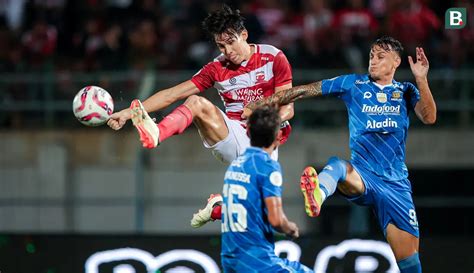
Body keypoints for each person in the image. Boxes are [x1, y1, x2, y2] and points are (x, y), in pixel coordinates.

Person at [196, 36, 436, 273]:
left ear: (395, 62)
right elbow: (304, 91)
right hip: (363, 175)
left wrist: (421, 79)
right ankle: (318, 193)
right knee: (339, 166)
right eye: (371, 55)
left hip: (395, 185)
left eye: (380, 57)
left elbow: (429, 117)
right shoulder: (353, 84)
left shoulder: (406, 91)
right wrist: (266, 101)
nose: (373, 61)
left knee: (410, 264)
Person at [107, 5, 294, 165]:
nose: (228, 51)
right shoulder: (216, 68)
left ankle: (216, 208)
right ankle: (157, 133)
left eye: (231, 42)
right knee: (195, 102)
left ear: (244, 34)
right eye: (221, 46)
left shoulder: (273, 58)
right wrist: (128, 113)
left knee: (252, 205)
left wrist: (268, 121)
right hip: (232, 135)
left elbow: (288, 109)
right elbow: (171, 94)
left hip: (264, 140)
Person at [220, 105, 313, 273]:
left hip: (230, 259)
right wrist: (290, 228)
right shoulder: (267, 166)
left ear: (248, 131)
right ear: (279, 136)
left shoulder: (236, 165)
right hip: (256, 261)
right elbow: (276, 220)